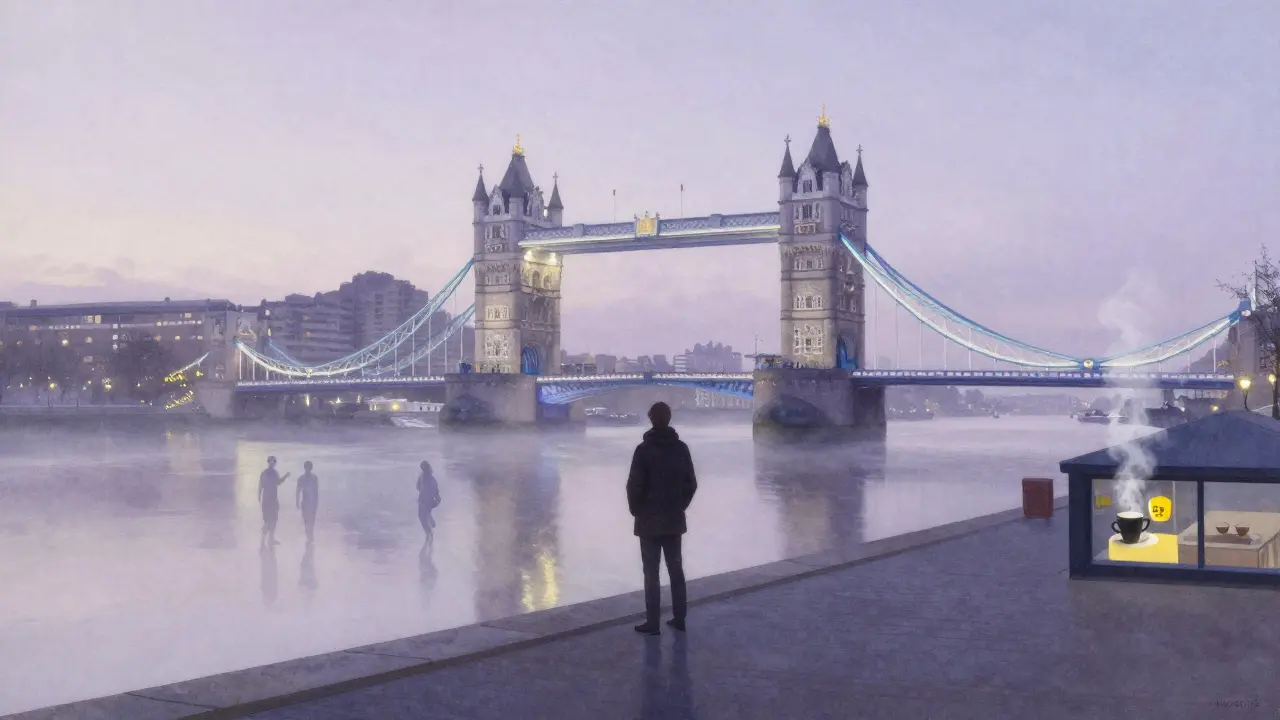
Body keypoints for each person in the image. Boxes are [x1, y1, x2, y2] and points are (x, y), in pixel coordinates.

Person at [626, 401, 697, 635]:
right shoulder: (681, 448)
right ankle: (680, 618)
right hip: (674, 518)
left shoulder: (643, 450)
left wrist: (636, 510)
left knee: (651, 572)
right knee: (676, 569)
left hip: (649, 520)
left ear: (651, 419)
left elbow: (634, 486)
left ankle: (653, 622)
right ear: (669, 418)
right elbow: (691, 484)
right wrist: (680, 505)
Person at [259, 456, 290, 547]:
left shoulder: (265, 473)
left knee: (271, 519)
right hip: (270, 499)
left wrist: (259, 496)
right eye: (272, 462)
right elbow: (277, 482)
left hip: (267, 499)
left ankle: (268, 539)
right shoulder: (270, 473)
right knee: (271, 519)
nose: (272, 463)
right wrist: (285, 476)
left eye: (273, 462)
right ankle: (268, 538)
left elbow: (261, 485)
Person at [417, 460, 441, 542]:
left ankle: (429, 533)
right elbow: (417, 486)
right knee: (422, 516)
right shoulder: (423, 477)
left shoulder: (431, 480)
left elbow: (436, 492)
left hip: (427, 501)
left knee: (423, 516)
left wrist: (437, 499)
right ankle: (429, 531)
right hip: (423, 500)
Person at [296, 460, 319, 545]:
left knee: (312, 521)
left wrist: (316, 503)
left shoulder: (314, 478)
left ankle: (310, 536)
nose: (307, 469)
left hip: (312, 503)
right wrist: (297, 501)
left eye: (309, 467)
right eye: (306, 467)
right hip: (305, 503)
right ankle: (308, 536)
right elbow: (298, 491)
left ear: (311, 468)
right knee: (306, 521)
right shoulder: (301, 479)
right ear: (305, 468)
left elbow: (316, 492)